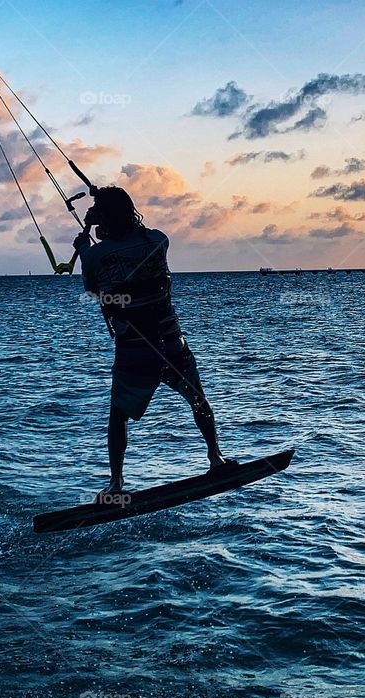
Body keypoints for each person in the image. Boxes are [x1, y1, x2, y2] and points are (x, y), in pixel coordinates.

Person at [74, 186, 233, 500]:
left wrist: (84, 240)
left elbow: (93, 290)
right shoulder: (159, 241)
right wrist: (102, 220)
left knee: (118, 415)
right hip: (172, 341)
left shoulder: (96, 254)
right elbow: (135, 240)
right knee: (197, 399)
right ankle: (216, 458)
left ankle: (116, 484)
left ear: (104, 217)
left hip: (136, 349)